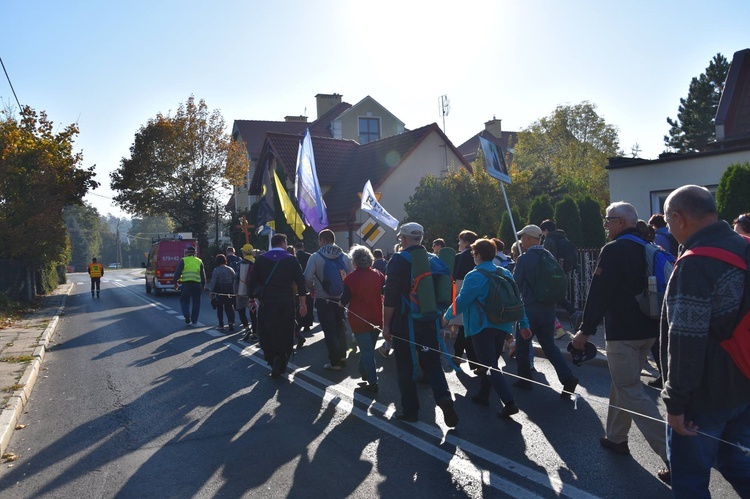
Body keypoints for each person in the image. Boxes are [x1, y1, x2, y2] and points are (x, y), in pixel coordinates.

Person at [571, 202, 670, 484]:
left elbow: (598, 292)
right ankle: (616, 437)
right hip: (650, 328)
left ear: (620, 222)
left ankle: (673, 455)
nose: (606, 226)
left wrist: (584, 331)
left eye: (607, 221)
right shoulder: (649, 246)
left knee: (629, 388)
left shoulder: (614, 250)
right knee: (621, 382)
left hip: (624, 333)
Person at [661, 185, 750, 497]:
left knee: (689, 480)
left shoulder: (695, 264)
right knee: (736, 461)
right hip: (745, 380)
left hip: (706, 394)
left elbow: (687, 341)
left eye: (668, 222)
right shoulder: (745, 245)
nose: (669, 229)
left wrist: (675, 402)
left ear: (679, 218)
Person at [382, 222, 459, 428]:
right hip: (430, 321)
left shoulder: (398, 260)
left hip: (404, 322)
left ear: (403, 239)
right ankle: (443, 398)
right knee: (433, 364)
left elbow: (390, 297)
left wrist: (386, 325)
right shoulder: (433, 260)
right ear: (422, 238)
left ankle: (410, 411)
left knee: (406, 368)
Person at [443, 238, 526, 419]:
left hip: (481, 326)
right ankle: (483, 395)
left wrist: (447, 317)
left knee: (489, 365)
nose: (473, 256)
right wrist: (524, 323)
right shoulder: (504, 272)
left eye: (473, 253)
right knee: (491, 362)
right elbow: (516, 301)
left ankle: (509, 402)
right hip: (503, 325)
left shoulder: (474, 276)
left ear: (478, 255)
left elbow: (461, 302)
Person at [512, 225, 579, 398]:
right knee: (549, 346)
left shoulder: (524, 259)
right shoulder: (549, 255)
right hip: (549, 310)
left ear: (528, 238)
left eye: (522, 237)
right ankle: (568, 377)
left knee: (522, 345)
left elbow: (515, 283)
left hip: (529, 310)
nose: (521, 240)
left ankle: (525, 379)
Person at [249, 233, 308, 378]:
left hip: (267, 301)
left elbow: (252, 281)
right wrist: (302, 304)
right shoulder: (292, 260)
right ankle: (282, 358)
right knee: (285, 331)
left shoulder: (261, 259)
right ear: (283, 243)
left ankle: (271, 356)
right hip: (286, 301)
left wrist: (251, 300)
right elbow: (301, 282)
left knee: (267, 330)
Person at [304, 229, 354, 371]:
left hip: (323, 298)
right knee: (340, 326)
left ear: (323, 240)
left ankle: (335, 361)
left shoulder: (315, 256)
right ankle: (343, 355)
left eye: (319, 240)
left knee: (329, 329)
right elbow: (350, 277)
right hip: (340, 299)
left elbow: (307, 276)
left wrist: (311, 289)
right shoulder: (345, 256)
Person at [340, 245, 385, 393]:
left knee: (366, 351)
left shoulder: (351, 278)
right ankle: (364, 371)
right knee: (368, 349)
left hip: (359, 319)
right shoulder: (378, 275)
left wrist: (340, 303)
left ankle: (373, 382)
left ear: (355, 261)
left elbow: (345, 298)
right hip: (377, 316)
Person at [540, 219, 579, 325]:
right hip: (564, 271)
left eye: (543, 231)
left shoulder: (549, 240)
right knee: (558, 294)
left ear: (546, 230)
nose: (542, 234)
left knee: (555, 295)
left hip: (553, 272)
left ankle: (572, 313)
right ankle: (572, 313)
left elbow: (545, 257)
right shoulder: (563, 237)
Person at [452, 230, 480, 370]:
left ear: (466, 242)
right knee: (467, 327)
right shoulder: (478, 254)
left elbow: (456, 276)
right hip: (477, 293)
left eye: (460, 241)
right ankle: (473, 361)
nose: (459, 243)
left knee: (465, 327)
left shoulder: (462, 256)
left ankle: (461, 357)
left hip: (462, 290)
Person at [173, 246, 206, 325]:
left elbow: (177, 273)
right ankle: (194, 320)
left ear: (187, 253)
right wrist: (203, 285)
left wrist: (175, 282)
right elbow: (203, 275)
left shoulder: (183, 260)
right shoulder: (199, 261)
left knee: (184, 300)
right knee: (196, 302)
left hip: (186, 284)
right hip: (196, 284)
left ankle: (186, 315)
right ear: (195, 253)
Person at [207, 254, 236, 332]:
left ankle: (221, 324)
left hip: (219, 291)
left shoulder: (216, 270)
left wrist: (211, 291)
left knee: (219, 308)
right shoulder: (230, 269)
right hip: (229, 291)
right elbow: (235, 280)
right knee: (229, 307)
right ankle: (231, 323)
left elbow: (213, 282)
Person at [236, 244, 258, 342]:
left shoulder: (240, 264)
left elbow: (236, 278)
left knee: (241, 311)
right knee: (253, 313)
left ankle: (246, 328)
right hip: (253, 293)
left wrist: (235, 291)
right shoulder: (256, 263)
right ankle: (255, 332)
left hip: (241, 292)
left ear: (244, 253)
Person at [294, 242, 314, 338]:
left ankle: (300, 323)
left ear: (295, 248)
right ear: (303, 247)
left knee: (300, 304)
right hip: (309, 283)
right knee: (309, 304)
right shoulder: (309, 256)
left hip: (298, 284)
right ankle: (307, 324)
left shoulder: (294, 258)